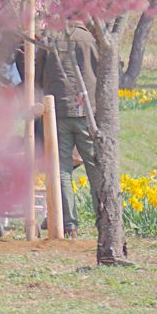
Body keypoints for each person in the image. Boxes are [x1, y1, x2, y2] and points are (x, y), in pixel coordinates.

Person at [40, 23, 100, 239]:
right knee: (95, 169)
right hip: (87, 112)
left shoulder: (50, 36)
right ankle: (103, 219)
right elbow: (103, 70)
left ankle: (69, 224)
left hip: (58, 109)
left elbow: (38, 73)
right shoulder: (90, 38)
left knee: (62, 169)